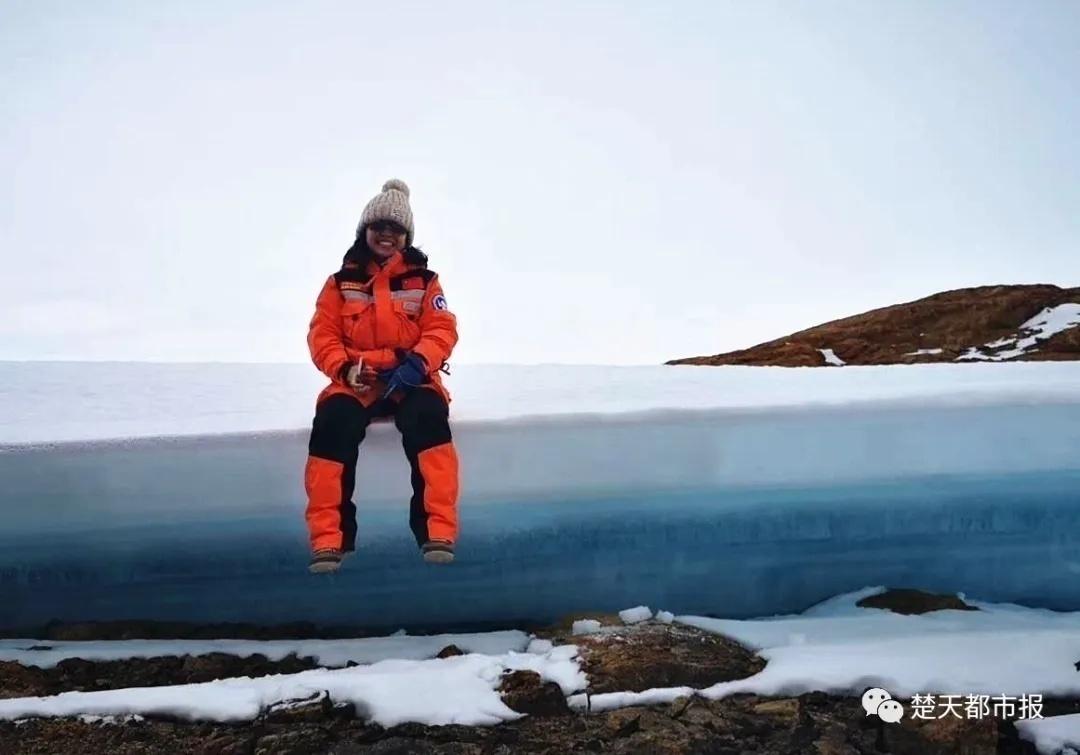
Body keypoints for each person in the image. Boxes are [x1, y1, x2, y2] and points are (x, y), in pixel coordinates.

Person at [303, 179, 460, 574]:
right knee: (332, 423)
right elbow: (322, 334)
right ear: (364, 231)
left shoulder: (426, 282)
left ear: (406, 236)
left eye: (396, 228)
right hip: (358, 378)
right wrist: (343, 368)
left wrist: (416, 365)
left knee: (427, 417)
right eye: (379, 227)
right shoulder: (339, 283)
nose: (387, 234)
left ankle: (436, 532)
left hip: (412, 377)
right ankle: (329, 540)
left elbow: (442, 329)